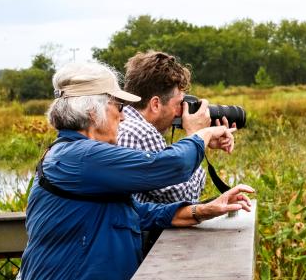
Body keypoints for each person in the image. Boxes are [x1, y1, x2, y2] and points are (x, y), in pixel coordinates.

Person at [20, 61, 253, 280]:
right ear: (93, 112)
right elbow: (167, 166)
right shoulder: (82, 157)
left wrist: (203, 210)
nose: (122, 116)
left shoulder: (74, 155)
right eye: (119, 106)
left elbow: (136, 213)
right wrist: (201, 135)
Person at [118, 51, 219, 204]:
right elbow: (186, 197)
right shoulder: (142, 133)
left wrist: (204, 138)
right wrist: (197, 138)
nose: (180, 112)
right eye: (178, 104)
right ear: (156, 104)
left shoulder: (120, 122)